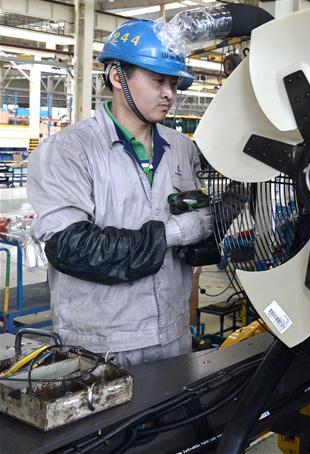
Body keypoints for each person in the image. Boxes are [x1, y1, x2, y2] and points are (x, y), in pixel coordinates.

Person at [28, 19, 213, 366]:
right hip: (99, 343)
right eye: (158, 80)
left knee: (174, 420)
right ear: (117, 77)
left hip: (172, 334)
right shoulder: (69, 151)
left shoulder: (181, 150)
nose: (169, 94)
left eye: (174, 83)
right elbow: (73, 248)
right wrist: (172, 233)